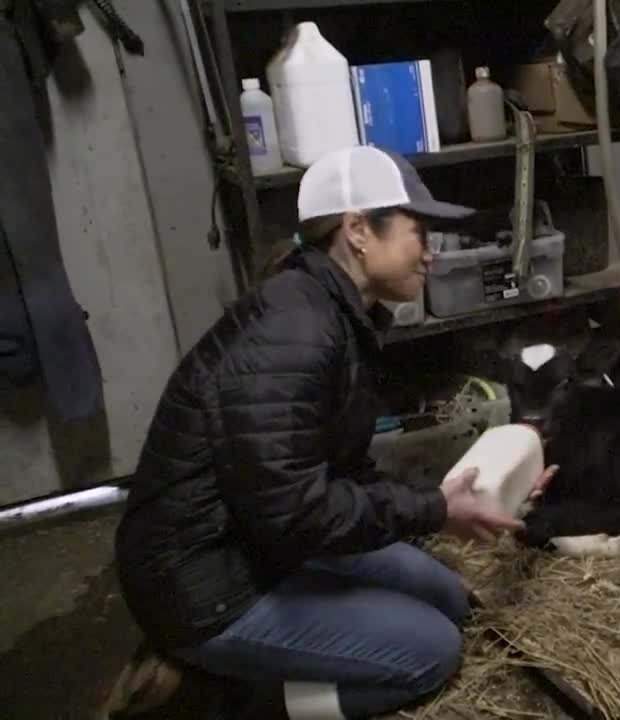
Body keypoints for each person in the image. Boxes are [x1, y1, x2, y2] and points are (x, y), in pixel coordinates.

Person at [107, 145, 556, 720]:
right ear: (359, 230)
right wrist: (430, 511)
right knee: (431, 653)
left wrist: (462, 499)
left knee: (449, 600)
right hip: (206, 584)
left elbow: (337, 474)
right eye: (418, 232)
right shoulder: (295, 330)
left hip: (263, 545)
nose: (432, 256)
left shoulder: (337, 314)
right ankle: (231, 698)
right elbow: (293, 509)